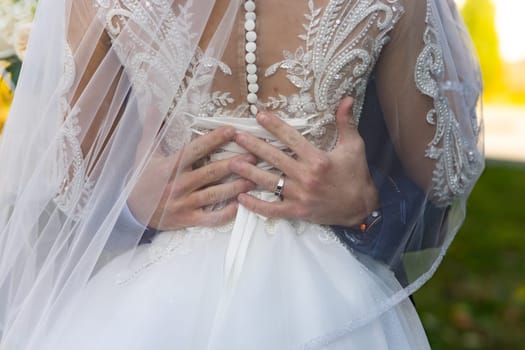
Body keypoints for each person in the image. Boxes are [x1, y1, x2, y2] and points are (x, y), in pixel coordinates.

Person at [0, 0, 483, 349]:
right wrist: (136, 203)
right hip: (334, 292)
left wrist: (126, 201)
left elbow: (60, 174)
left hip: (151, 300)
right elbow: (446, 175)